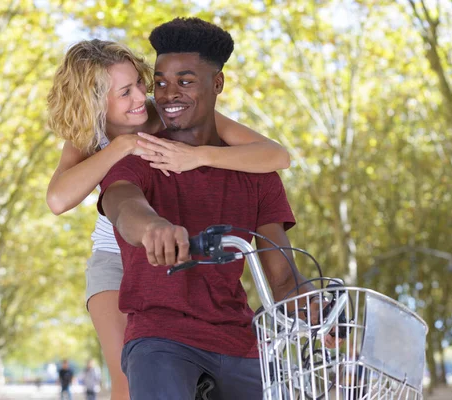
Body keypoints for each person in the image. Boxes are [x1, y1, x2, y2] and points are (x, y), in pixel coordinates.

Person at [46, 39, 292, 399]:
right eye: (125, 92)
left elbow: (276, 155)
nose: (140, 98)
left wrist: (200, 157)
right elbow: (57, 199)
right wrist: (123, 146)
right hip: (116, 258)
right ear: (95, 102)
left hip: (178, 249)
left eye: (139, 85)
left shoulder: (163, 112)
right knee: (128, 376)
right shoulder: (89, 135)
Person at [98, 17, 316, 399]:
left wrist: (316, 310)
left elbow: (281, 278)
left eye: (185, 81)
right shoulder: (140, 152)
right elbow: (122, 202)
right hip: (160, 338)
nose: (167, 95)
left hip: (238, 340)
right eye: (161, 82)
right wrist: (153, 228)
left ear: (217, 84)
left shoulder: (255, 172)